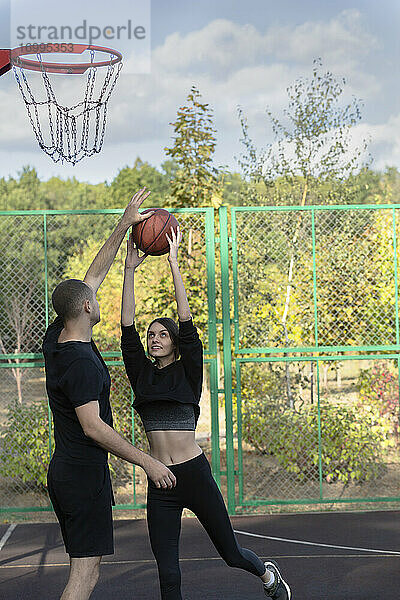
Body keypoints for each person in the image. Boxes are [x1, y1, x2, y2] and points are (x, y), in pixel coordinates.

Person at [120, 224, 291, 600]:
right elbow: (126, 326)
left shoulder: (188, 369)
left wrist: (174, 263)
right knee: (168, 572)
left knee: (230, 554)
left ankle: (268, 576)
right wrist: (130, 270)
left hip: (194, 474)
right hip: (160, 479)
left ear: (175, 343)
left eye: (161, 334)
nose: (154, 338)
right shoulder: (141, 375)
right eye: (151, 335)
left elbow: (186, 320)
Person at [43, 188, 177, 600]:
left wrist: (124, 225)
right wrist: (148, 463)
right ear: (86, 308)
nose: (98, 298)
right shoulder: (81, 364)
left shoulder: (58, 338)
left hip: (68, 472)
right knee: (84, 577)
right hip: (82, 477)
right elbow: (93, 428)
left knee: (87, 570)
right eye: (94, 299)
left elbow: (91, 278)